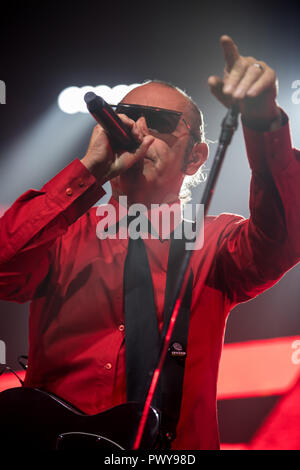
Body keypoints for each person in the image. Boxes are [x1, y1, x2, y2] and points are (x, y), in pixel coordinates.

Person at [0, 35, 299, 450]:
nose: (136, 131)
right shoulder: (62, 231)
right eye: (123, 118)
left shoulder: (213, 240)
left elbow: (283, 236)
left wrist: (263, 120)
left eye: (156, 121)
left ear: (195, 157)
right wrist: (88, 169)